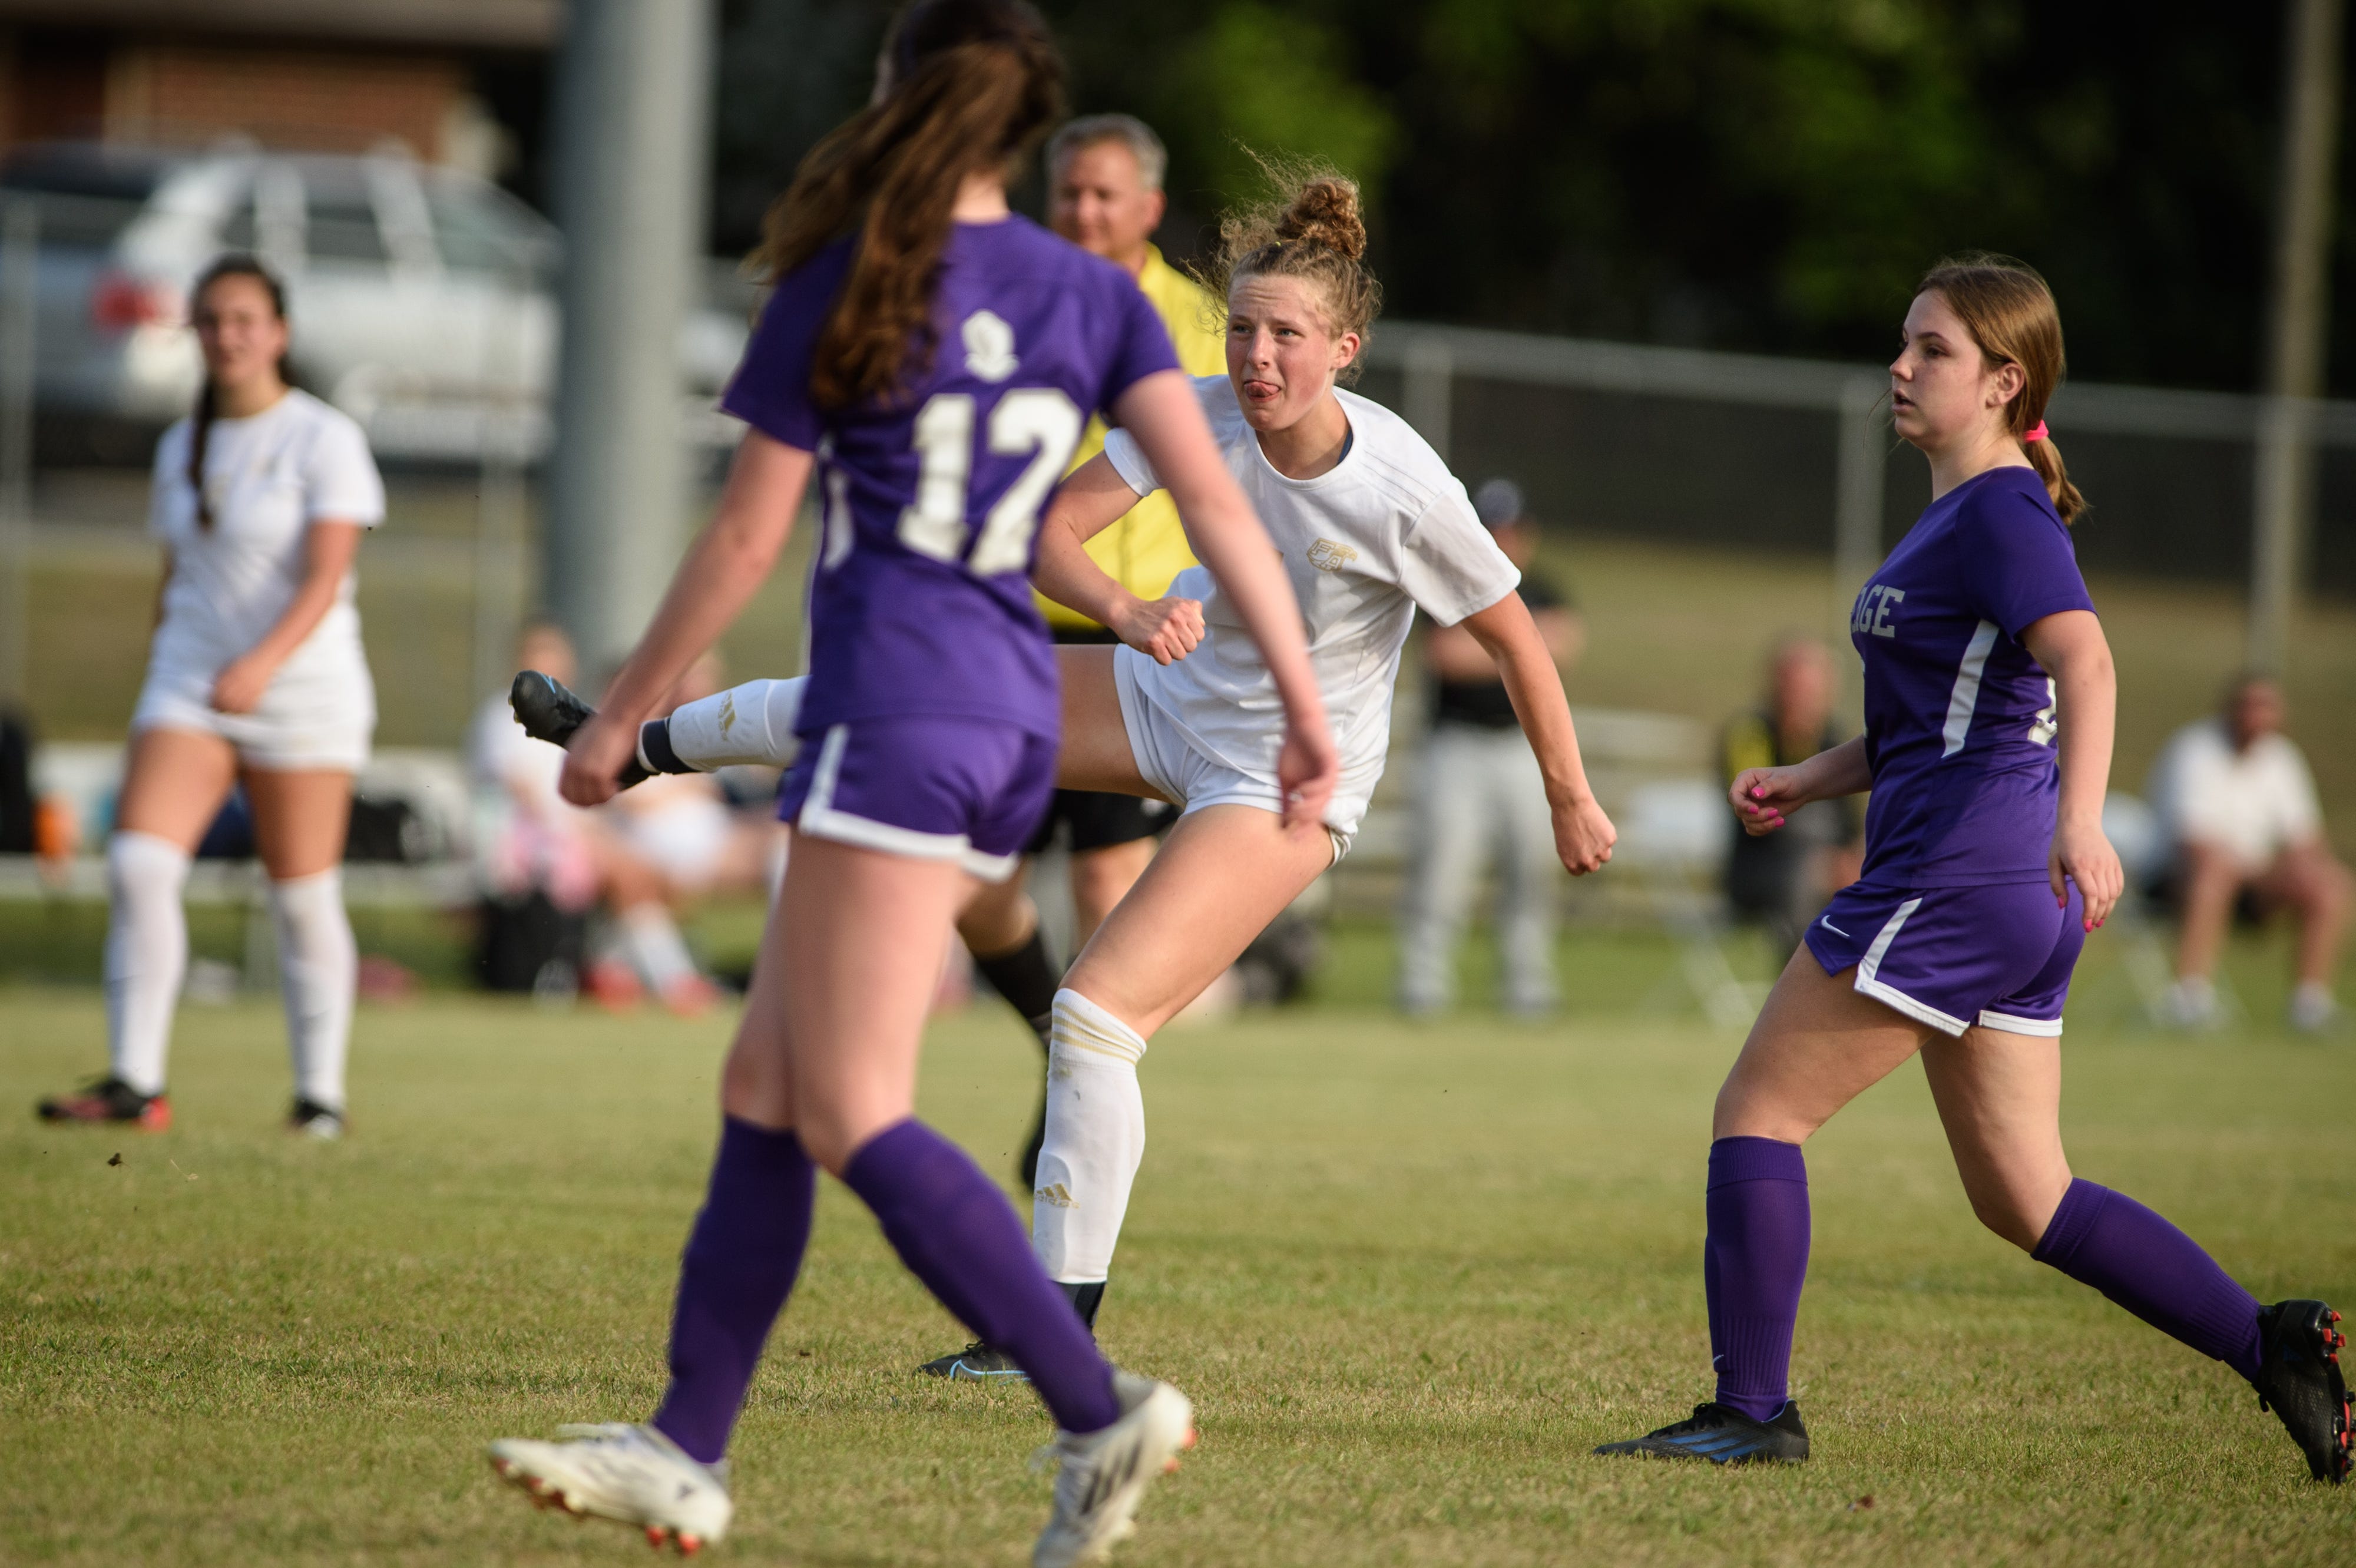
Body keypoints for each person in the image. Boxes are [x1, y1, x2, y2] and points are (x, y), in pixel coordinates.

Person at [481, 6, 1336, 1563]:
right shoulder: (1093, 296)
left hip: (899, 704)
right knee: (766, 1081)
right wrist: (1301, 701)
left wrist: (625, 717)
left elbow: (746, 539)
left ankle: (1094, 1401)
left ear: (898, 98)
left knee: (853, 1102)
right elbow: (1214, 498)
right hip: (1015, 706)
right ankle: (685, 1442)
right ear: (1024, 133)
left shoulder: (852, 278)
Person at [543, 167, 1621, 1383]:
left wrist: (1567, 791)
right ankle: (635, 743)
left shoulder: (1399, 484)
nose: (1258, 357)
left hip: (1278, 781)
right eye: (1245, 329)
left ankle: (1046, 1333)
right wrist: (1121, 603)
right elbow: (1047, 532)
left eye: (1287, 337)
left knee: (1096, 1019)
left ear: (1346, 351)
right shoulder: (1198, 411)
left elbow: (1513, 636)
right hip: (1154, 696)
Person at [1595, 256, 2349, 1484]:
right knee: (2026, 1197)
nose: (1899, 366)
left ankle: (1749, 1412)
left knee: (1758, 1110)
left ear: (2003, 381)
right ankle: (2265, 1339)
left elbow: (2084, 665)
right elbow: (1935, 719)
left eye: (1930, 350)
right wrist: (1805, 777)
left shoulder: (1999, 509)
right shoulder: (1962, 511)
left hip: (1959, 874)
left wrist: (2083, 822)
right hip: (1999, 887)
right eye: (1902, 342)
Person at [36, 254, 383, 1140]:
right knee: (140, 864)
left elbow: (328, 574)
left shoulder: (323, 437)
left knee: (300, 893)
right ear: (193, 333)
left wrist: (265, 663)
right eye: (211, 321)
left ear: (279, 332)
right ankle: (135, 1083)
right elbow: (177, 569)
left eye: (244, 319)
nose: (227, 336)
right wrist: (163, 669)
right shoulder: (177, 443)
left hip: (304, 689)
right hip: (193, 681)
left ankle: (320, 1098)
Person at [953, 111, 1232, 1192]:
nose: (1084, 211)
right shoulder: (1003, 301)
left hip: (1143, 635)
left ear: (1150, 207)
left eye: (1106, 194)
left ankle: (1081, 1094)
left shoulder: (1206, 324)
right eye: (1069, 192)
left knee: (1109, 878)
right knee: (971, 875)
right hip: (1010, 620)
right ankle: (1047, 1028)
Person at [1396, 477, 1584, 1015]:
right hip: (1457, 747)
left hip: (1522, 748)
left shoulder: (1544, 586)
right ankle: (1423, 983)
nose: (1503, 540)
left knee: (1533, 868)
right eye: (1492, 529)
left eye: (1510, 530)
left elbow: (1566, 644)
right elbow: (1444, 655)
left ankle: (1527, 984)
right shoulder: (1449, 579)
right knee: (1444, 868)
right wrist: (1522, 649)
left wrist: (1501, 649)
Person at [2148, 674, 2348, 1033]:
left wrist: (2298, 869)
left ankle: (2310, 1005)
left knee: (2331, 883)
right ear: (2230, 709)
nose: (2258, 716)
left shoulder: (2283, 758)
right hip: (2176, 879)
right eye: (2250, 706)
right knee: (2213, 873)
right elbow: (2195, 844)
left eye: (2267, 707)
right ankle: (2190, 997)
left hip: (2254, 881)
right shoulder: (2194, 750)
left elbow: (2305, 840)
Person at [1719, 637, 1862, 957]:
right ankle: (1804, 977)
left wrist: (1849, 858)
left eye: (1813, 691)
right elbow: (1756, 803)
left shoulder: (1834, 738)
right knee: (1805, 872)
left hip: (1828, 867)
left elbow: (1848, 821)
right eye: (1796, 688)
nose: (1803, 699)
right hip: (1760, 867)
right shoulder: (1750, 732)